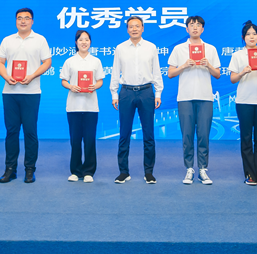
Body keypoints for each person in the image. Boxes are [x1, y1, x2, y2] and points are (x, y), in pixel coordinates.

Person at [0, 8, 52, 184]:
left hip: (31, 92)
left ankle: (29, 169)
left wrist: (32, 76)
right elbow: (0, 62)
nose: (23, 21)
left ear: (32, 21)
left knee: (30, 132)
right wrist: (6, 77)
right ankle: (10, 169)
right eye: (19, 18)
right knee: (11, 132)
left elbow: (47, 62)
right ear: (16, 21)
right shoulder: (7, 40)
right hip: (10, 92)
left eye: (27, 18)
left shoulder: (40, 39)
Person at [110, 15, 164, 184]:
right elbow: (115, 72)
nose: (134, 29)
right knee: (124, 133)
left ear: (142, 28)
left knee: (149, 134)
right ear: (127, 29)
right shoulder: (120, 48)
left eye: (137, 26)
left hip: (146, 92)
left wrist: (158, 93)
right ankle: (123, 172)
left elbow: (156, 72)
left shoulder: (151, 47)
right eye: (131, 26)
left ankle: (149, 172)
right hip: (126, 92)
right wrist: (114, 94)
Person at [167, 16, 220, 185]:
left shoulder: (210, 49)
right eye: (192, 25)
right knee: (187, 135)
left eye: (198, 25)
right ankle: (189, 168)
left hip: (205, 97)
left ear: (203, 29)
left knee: (203, 135)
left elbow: (217, 74)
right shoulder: (179, 49)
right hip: (185, 97)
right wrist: (183, 65)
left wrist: (208, 65)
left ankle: (203, 169)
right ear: (187, 29)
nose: (195, 28)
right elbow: (170, 73)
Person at [228, 21, 257, 186]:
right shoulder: (237, 55)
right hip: (244, 101)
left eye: (254, 34)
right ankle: (249, 172)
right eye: (248, 34)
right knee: (246, 138)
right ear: (243, 37)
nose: (251, 37)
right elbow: (233, 79)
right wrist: (243, 72)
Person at [59, 29, 104, 183]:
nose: (84, 42)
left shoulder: (96, 61)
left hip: (91, 107)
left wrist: (95, 86)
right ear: (76, 42)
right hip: (74, 106)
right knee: (75, 139)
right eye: (81, 39)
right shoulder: (70, 61)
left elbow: (100, 80)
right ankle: (76, 171)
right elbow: (63, 80)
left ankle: (89, 171)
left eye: (86, 39)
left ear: (90, 42)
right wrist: (70, 86)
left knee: (90, 139)